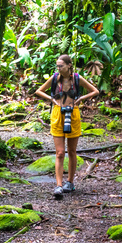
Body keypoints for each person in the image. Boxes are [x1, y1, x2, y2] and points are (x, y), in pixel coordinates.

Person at [35, 55, 99, 199]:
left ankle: (70, 182)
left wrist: (81, 99)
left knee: (71, 151)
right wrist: (52, 100)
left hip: (73, 114)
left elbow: (95, 91)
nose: (58, 68)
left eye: (61, 66)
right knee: (59, 153)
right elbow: (39, 91)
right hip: (57, 115)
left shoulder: (77, 78)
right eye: (57, 66)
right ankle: (58, 185)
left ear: (69, 65)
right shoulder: (55, 78)